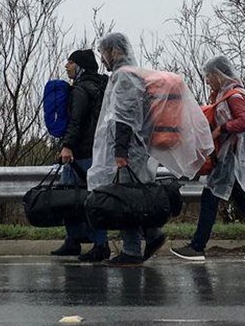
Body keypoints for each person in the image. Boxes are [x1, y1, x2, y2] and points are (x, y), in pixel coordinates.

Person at [86, 32, 212, 267]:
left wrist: (120, 152)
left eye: (104, 52)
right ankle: (153, 234)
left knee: (126, 198)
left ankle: (132, 250)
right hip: (140, 150)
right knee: (136, 196)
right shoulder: (136, 75)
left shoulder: (124, 77)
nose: (103, 58)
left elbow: (124, 117)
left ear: (114, 51)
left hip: (130, 151)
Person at [170, 55, 245, 261]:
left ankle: (197, 247)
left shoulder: (234, 96)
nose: (207, 80)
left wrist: (221, 129)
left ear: (219, 74)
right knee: (244, 202)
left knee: (210, 199)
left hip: (231, 158)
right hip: (229, 157)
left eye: (209, 75)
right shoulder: (225, 94)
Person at [50, 49, 111, 262]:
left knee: (71, 197)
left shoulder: (80, 90)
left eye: (70, 62)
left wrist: (67, 146)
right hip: (100, 151)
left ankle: (87, 242)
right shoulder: (104, 87)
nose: (66, 66)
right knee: (96, 198)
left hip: (81, 153)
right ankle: (87, 242)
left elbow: (76, 121)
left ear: (80, 66)